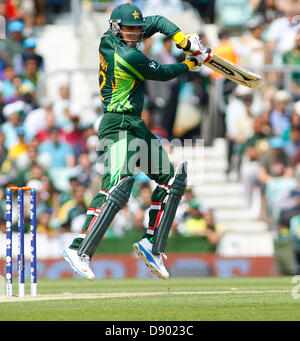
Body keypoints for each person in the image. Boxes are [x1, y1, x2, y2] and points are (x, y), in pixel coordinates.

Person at [62, 2, 211, 280]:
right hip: (117, 126)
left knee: (171, 181)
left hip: (135, 125)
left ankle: (152, 244)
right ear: (116, 29)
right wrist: (192, 61)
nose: (134, 34)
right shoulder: (127, 55)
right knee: (116, 189)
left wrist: (181, 38)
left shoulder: (110, 39)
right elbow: (163, 73)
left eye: (137, 30)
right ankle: (77, 248)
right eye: (128, 29)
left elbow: (156, 20)